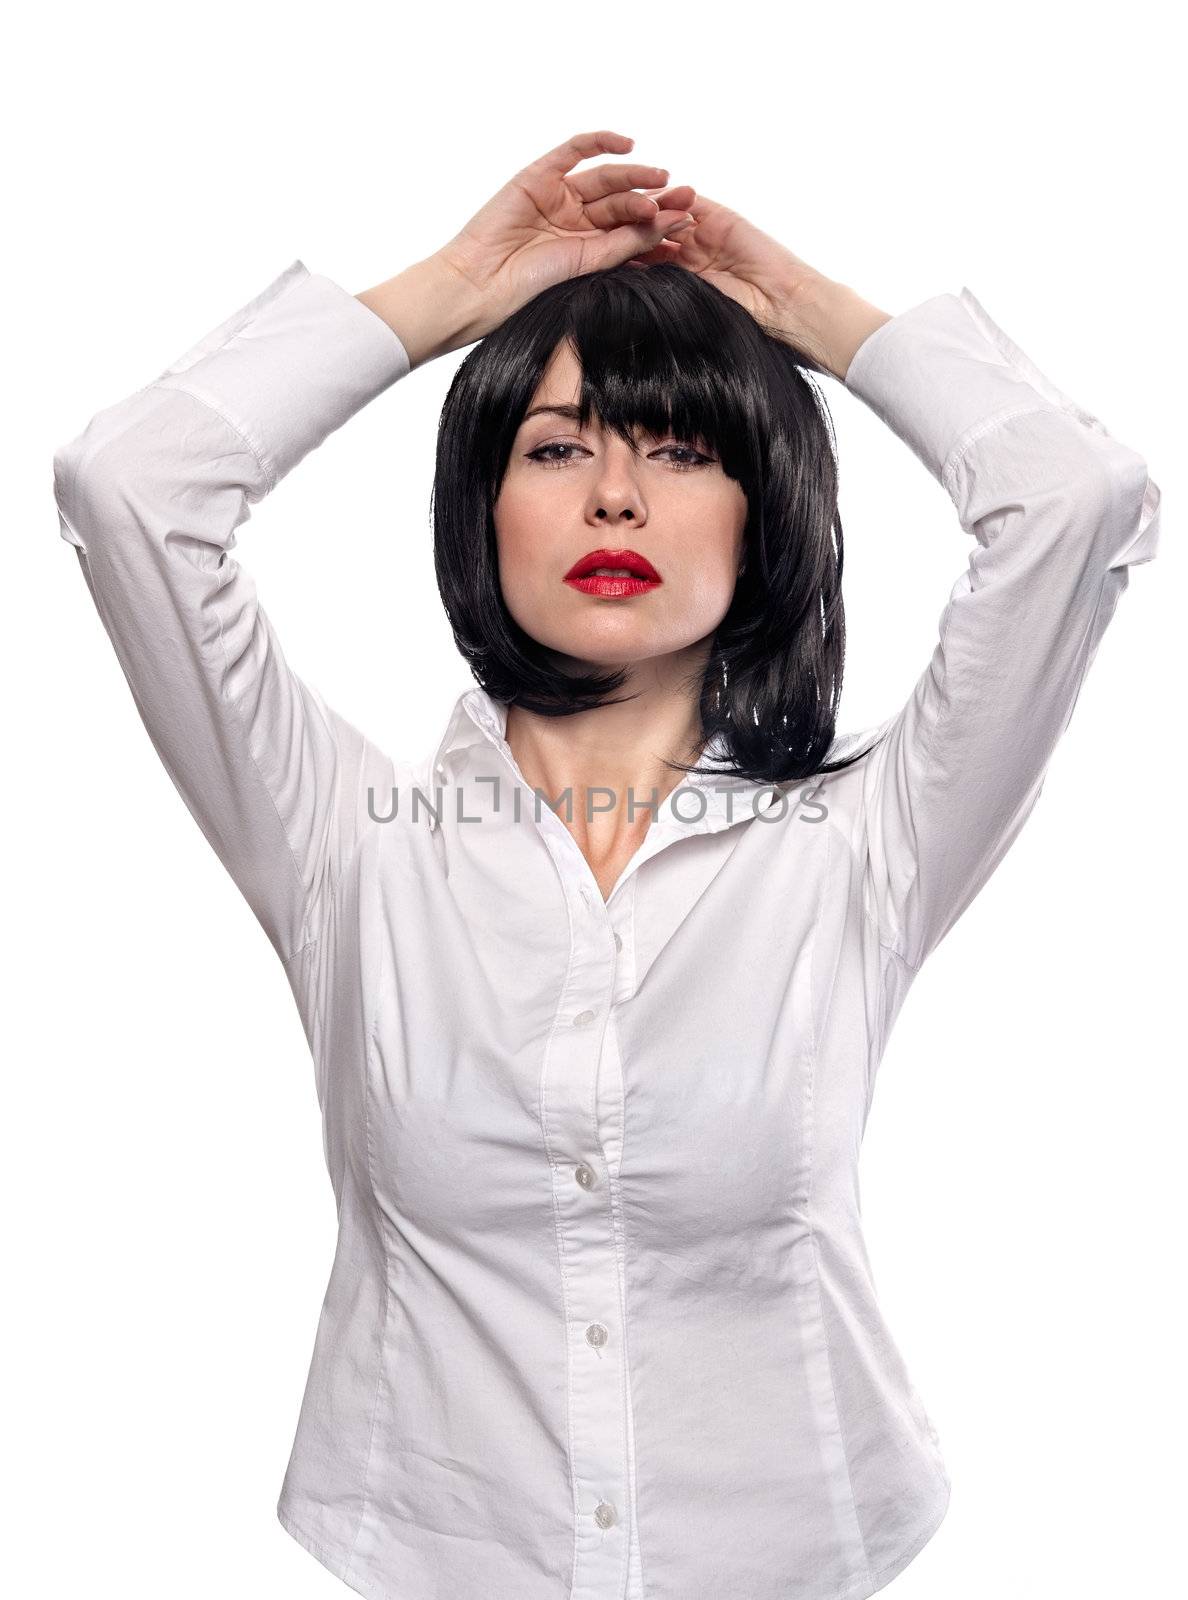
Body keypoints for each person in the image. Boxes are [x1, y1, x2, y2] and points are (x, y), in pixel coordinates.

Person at [52, 128, 1161, 1600]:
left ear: (759, 517)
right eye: (559, 445)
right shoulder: (346, 848)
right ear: (482, 511)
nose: (617, 498)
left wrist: (802, 309)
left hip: (801, 1557)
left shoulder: (862, 848)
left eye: (684, 449)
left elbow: (1073, 500)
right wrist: (451, 296)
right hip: (424, 1560)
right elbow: (129, 488)